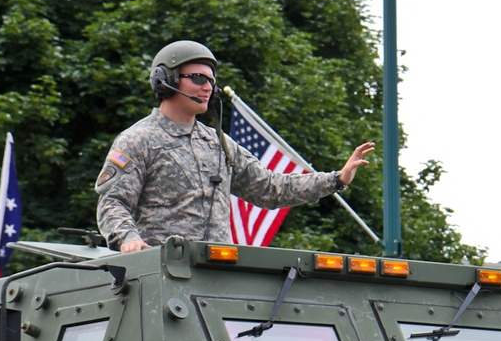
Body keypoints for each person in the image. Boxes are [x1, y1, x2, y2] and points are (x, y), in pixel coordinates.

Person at [95, 40, 375, 251]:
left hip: (218, 275)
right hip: (162, 274)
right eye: (198, 78)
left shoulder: (217, 144)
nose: (208, 87)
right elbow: (112, 201)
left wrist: (336, 179)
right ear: (166, 80)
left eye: (211, 81)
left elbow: (270, 188)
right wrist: (128, 238)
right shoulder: (139, 139)